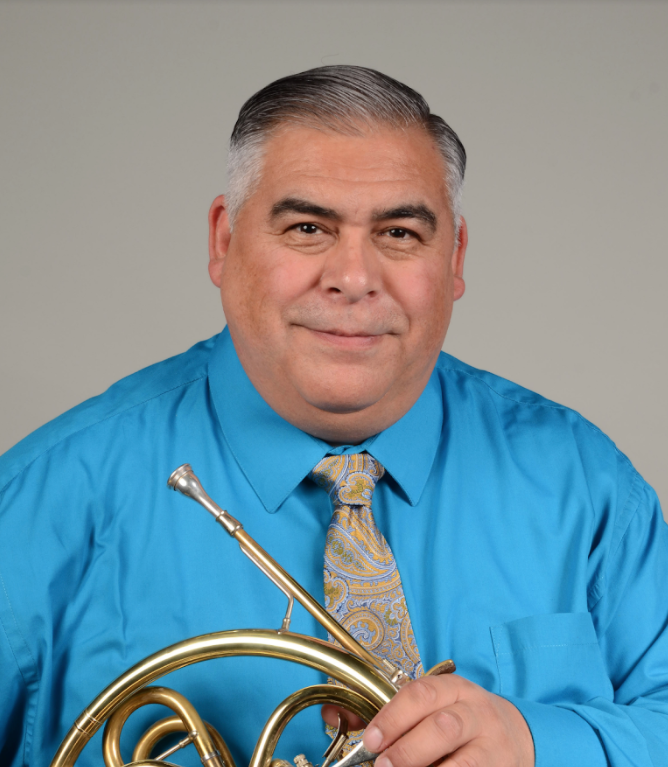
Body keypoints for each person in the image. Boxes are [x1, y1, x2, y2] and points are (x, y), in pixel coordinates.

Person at [0, 65, 666, 767]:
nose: (354, 276)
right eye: (308, 227)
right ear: (224, 242)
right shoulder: (39, 499)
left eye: (401, 233)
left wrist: (539, 744)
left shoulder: (584, 483)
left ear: (456, 256)